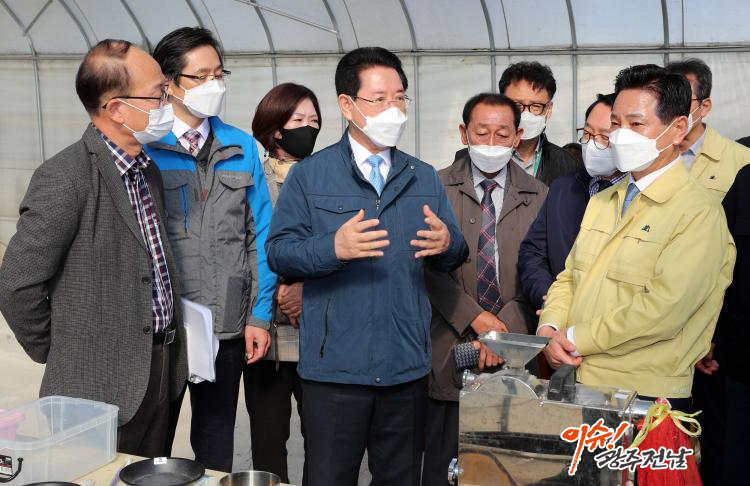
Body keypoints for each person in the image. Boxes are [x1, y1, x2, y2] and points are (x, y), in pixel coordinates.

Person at [265, 46, 468, 486]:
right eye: (378, 99)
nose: (393, 110)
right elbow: (279, 252)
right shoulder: (310, 176)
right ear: (347, 105)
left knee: (399, 478)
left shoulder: (423, 176)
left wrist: (448, 244)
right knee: (329, 477)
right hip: (335, 370)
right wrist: (332, 248)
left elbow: (456, 254)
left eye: (400, 98)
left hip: (405, 368)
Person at [0, 39, 187, 457]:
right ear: (117, 109)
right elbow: (16, 284)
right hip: (95, 387)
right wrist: (64, 350)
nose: (168, 101)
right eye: (159, 93)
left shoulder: (146, 171)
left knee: (147, 477)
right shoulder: (66, 177)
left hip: (160, 367)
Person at [537, 64, 735, 410]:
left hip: (646, 394)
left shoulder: (698, 213)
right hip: (582, 379)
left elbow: (664, 309)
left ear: (678, 129)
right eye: (616, 123)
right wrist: (549, 329)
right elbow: (570, 277)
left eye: (636, 124)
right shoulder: (602, 201)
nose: (619, 136)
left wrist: (575, 337)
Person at [146, 27, 274, 472]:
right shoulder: (146, 147)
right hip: (162, 329)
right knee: (153, 444)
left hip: (227, 326)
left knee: (216, 444)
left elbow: (261, 235)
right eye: (200, 76)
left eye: (218, 74)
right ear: (169, 83)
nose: (213, 85)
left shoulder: (241, 147)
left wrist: (259, 315)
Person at [423, 93, 547, 486]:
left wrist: (501, 333)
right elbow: (422, 267)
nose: (491, 143)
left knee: (509, 465)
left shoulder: (540, 195)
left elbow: (542, 273)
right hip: (447, 342)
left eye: (502, 134)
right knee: (444, 464)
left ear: (517, 137)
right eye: (482, 132)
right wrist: (474, 318)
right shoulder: (432, 186)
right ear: (464, 133)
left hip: (516, 344)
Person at [245, 82, 322, 484]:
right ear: (275, 129)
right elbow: (243, 243)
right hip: (265, 334)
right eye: (299, 120)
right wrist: (276, 290)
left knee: (323, 440)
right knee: (268, 439)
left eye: (314, 120)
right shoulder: (252, 179)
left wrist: (306, 288)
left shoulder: (327, 177)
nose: (309, 128)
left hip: (317, 332)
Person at [519, 93, 625, 312]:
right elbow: (533, 252)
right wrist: (548, 297)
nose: (593, 144)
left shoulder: (639, 195)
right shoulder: (563, 189)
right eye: (587, 133)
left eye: (604, 137)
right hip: (556, 315)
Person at [707, 165, 750, 485]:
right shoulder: (747, 181)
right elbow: (720, 265)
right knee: (735, 457)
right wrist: (710, 335)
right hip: (741, 357)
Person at [665, 58, 750, 201]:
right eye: (665, 100)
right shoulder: (649, 155)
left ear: (704, 107)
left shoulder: (742, 159)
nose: (671, 109)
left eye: (682, 100)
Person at [498, 61, 582, 185]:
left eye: (536, 106)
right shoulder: (478, 158)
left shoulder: (568, 164)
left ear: (548, 110)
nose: (525, 115)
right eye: (516, 105)